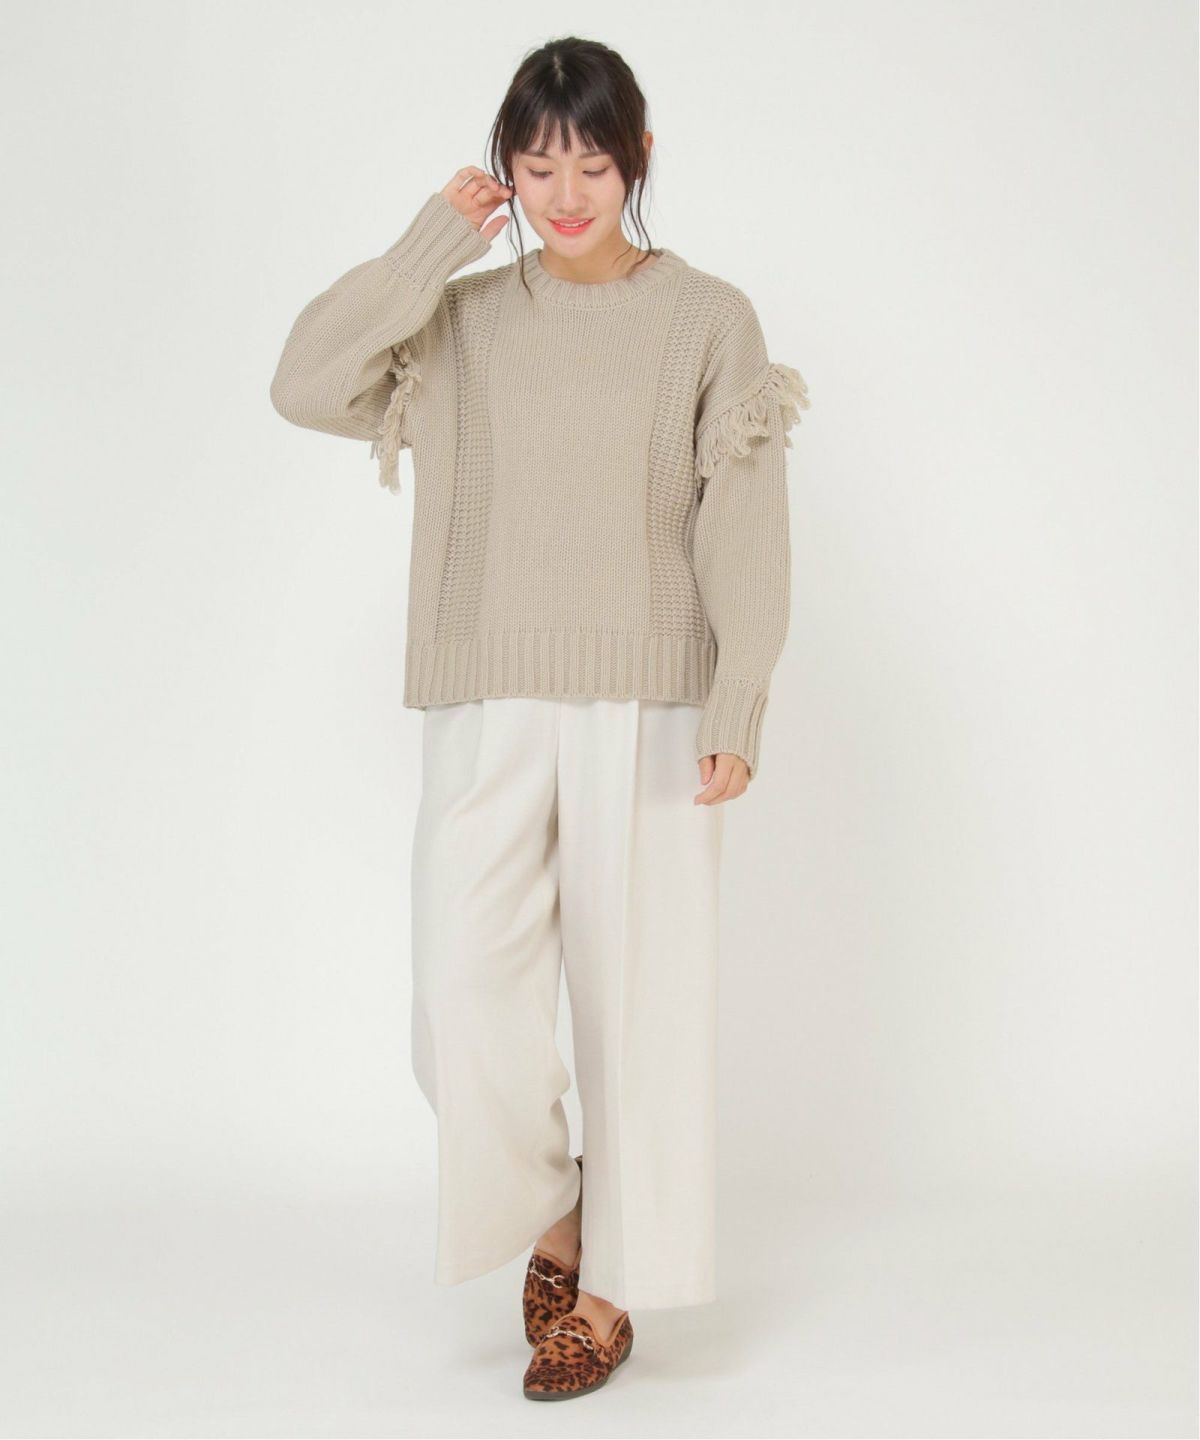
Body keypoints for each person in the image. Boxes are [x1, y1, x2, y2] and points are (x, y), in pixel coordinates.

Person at [269, 34, 810, 1401]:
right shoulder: (454, 319)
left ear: (639, 160)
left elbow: (742, 514)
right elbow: (304, 384)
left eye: (593, 163)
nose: (567, 193)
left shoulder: (707, 319)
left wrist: (738, 692)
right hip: (489, 688)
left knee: (643, 1005)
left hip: (654, 695)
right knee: (459, 998)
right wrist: (425, 248)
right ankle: (560, 1211)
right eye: (538, 164)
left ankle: (614, 1288)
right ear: (503, 168)